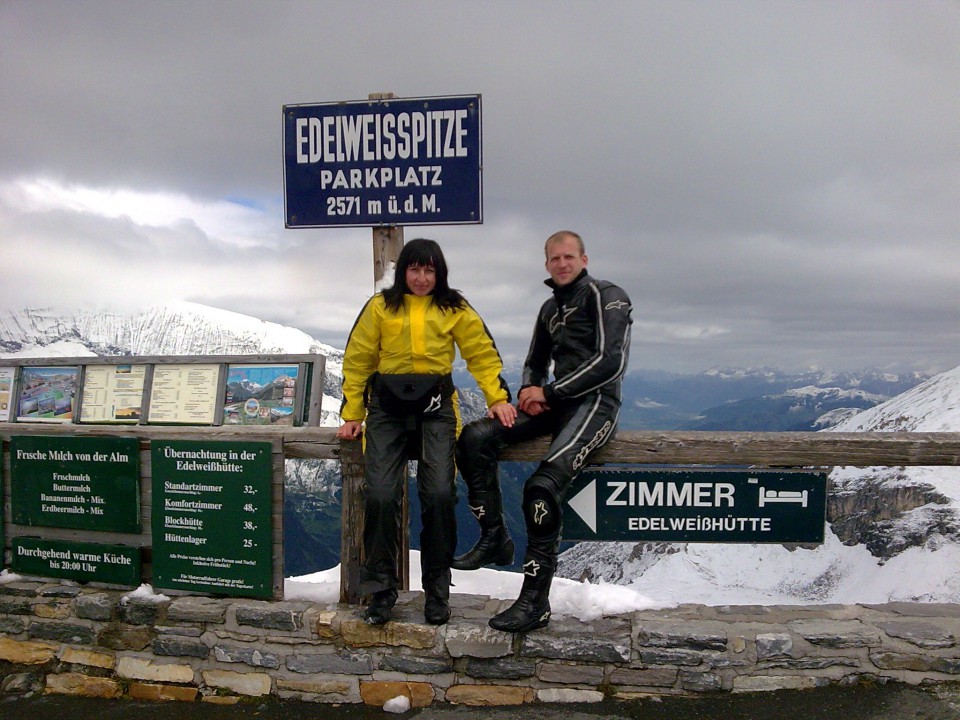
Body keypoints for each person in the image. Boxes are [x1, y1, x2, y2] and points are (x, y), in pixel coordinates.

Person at [453, 230, 632, 633]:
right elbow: (535, 359)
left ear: (584, 259)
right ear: (547, 264)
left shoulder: (609, 296)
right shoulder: (550, 307)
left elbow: (610, 362)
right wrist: (529, 392)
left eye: (569, 257)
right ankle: (494, 537)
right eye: (555, 258)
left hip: (596, 404)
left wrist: (547, 391)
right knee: (475, 437)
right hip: (557, 403)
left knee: (540, 488)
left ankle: (535, 603)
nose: (562, 264)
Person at [337, 238, 515, 626]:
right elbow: (359, 359)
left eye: (429, 270)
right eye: (414, 269)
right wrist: (352, 412)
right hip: (384, 411)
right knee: (380, 495)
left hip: (436, 410)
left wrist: (497, 397)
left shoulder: (455, 307)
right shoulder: (380, 307)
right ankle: (381, 589)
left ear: (440, 272)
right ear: (403, 272)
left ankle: (437, 588)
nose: (421, 278)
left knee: (438, 494)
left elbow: (481, 353)